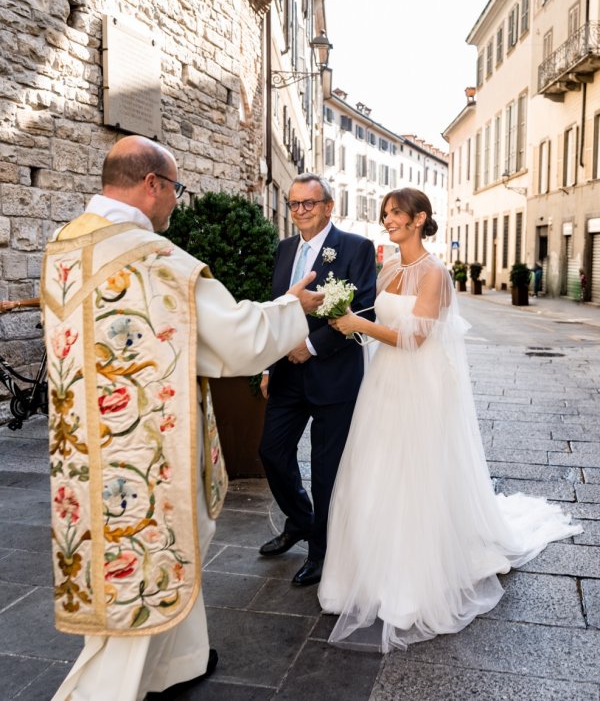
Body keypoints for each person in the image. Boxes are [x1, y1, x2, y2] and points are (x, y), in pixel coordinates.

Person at [41, 135, 324, 701]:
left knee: (161, 555)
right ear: (152, 185)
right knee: (148, 566)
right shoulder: (157, 262)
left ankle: (180, 663)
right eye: (176, 189)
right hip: (147, 451)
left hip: (85, 452)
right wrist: (296, 307)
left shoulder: (63, 245)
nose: (176, 202)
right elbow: (239, 340)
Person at [319, 187, 582, 652]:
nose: (388, 221)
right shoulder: (391, 266)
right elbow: (378, 316)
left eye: (395, 213)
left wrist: (358, 326)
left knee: (414, 475)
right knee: (376, 470)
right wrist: (340, 310)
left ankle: (412, 580)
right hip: (383, 382)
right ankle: (365, 574)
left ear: (419, 218)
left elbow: (415, 338)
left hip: (419, 384)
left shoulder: (434, 272)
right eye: (385, 215)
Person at [258, 173, 377, 587]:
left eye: (309, 203)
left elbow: (365, 311)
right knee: (271, 451)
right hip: (287, 375)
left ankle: (322, 553)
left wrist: (310, 346)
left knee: (327, 471)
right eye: (294, 204)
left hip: (334, 376)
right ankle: (301, 520)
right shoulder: (284, 248)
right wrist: (270, 366)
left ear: (329, 206)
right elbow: (278, 308)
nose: (300, 211)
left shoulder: (356, 248)